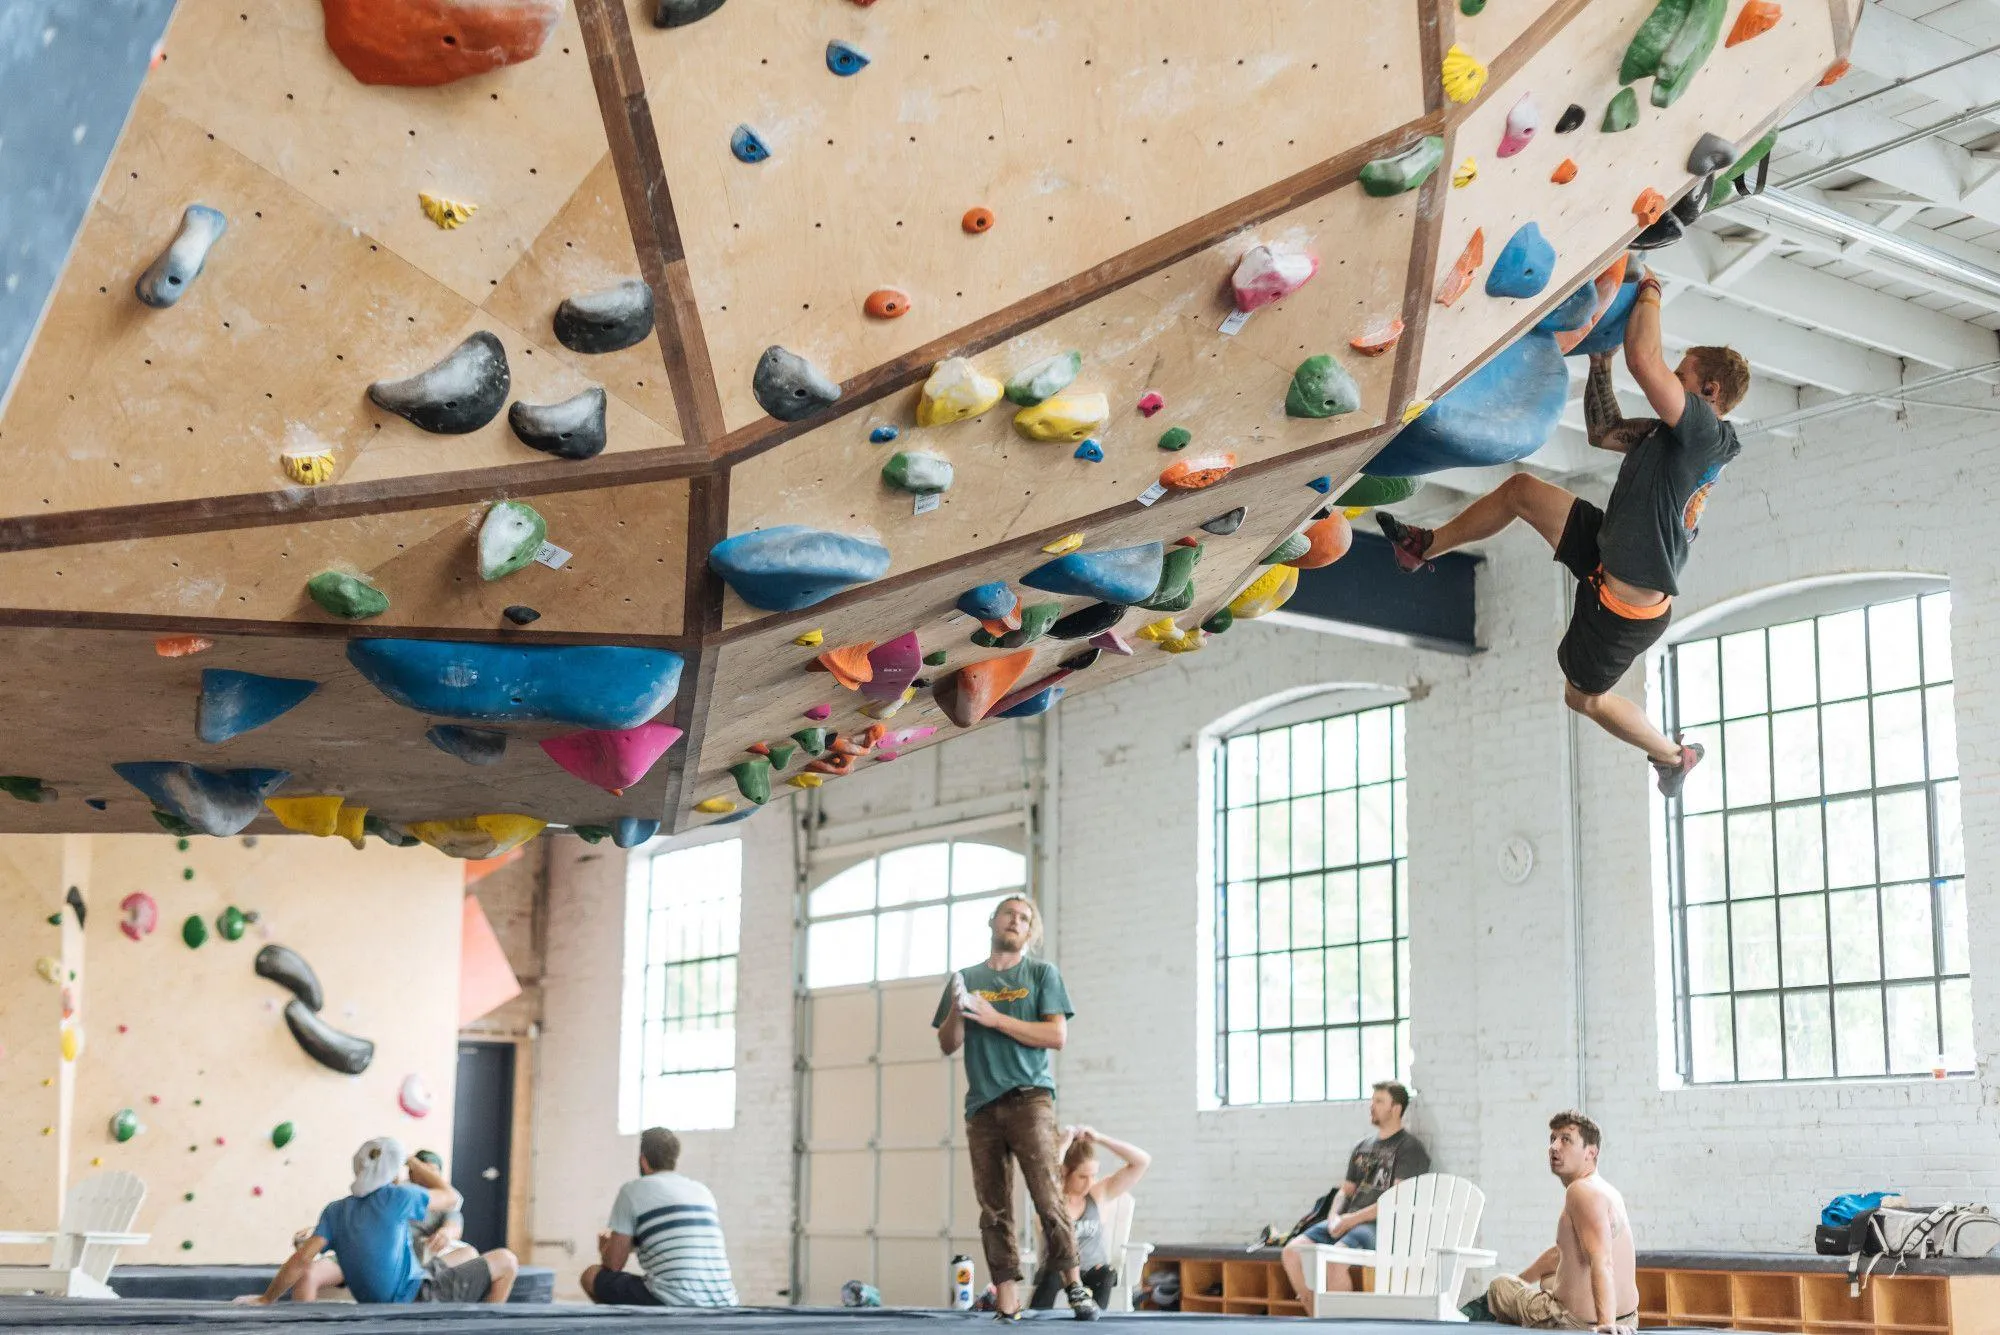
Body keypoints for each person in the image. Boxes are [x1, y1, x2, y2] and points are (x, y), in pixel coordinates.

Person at [1377, 265, 1749, 798]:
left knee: (1583, 699)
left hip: (1626, 607)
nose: (1673, 377)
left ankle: (1673, 756)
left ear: (1709, 390)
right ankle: (1424, 546)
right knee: (1522, 492)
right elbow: (1603, 432)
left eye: (1682, 374)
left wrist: (1649, 287)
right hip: (1610, 550)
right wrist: (1600, 359)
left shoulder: (1708, 435)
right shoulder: (1669, 436)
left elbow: (1645, 361)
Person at [933, 894, 1099, 1321]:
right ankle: (1007, 1300)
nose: (1015, 920)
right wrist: (958, 1010)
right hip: (982, 1107)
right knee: (993, 1206)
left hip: (1030, 1099)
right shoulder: (965, 978)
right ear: (993, 921)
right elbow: (948, 1043)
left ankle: (1075, 1285)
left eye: (1025, 918)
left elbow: (1056, 1036)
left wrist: (995, 1019)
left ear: (1030, 933)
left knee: (1047, 1193)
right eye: (1009, 913)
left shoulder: (1042, 973)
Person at [239, 1137, 517, 1305]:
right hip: (416, 1295)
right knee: (506, 1260)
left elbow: (300, 1259)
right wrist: (411, 1160)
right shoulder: (398, 1197)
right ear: (398, 1172)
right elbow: (453, 1196)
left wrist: (266, 1299)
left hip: (403, 1280)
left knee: (467, 1253)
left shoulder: (336, 1210)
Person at [1486, 1111, 1638, 1332]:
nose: (1554, 1147)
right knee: (1547, 1279)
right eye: (1553, 1139)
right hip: (1629, 1318)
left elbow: (1603, 1261)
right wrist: (1521, 1282)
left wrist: (1606, 1325)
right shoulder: (1607, 1190)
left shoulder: (1580, 1191)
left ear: (1591, 1152)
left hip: (1577, 1323)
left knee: (1499, 1286)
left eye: (1566, 1139)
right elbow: (1560, 1254)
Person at [1279, 1081, 1431, 1299]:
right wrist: (1333, 1217)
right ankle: (1316, 1316)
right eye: (1373, 1100)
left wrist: (1350, 1220)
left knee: (1334, 1260)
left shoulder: (1410, 1148)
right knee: (1292, 1252)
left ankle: (1341, 1320)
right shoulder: (1362, 1146)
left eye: (1379, 1101)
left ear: (1396, 1108)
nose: (1372, 1106)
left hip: (1380, 1226)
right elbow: (1346, 1191)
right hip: (1348, 1220)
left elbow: (1396, 1201)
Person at [579, 1126, 739, 1307]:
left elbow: (614, 1265)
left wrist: (605, 1249)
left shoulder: (632, 1191)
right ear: (674, 1159)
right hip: (725, 1301)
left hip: (677, 1300)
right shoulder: (702, 1191)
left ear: (643, 1160)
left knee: (590, 1275)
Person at [1028, 1126, 1153, 1311]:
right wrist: (1063, 1145)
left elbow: (1142, 1161)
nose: (1089, 1182)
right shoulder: (1053, 1199)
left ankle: (1093, 1319)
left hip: (1093, 1272)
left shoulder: (1098, 1194)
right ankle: (1035, 1322)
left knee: (1107, 1273)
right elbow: (1046, 1177)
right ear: (1064, 1171)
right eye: (1082, 1177)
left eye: (1093, 1175)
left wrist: (1100, 1138)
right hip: (1058, 1271)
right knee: (1052, 1275)